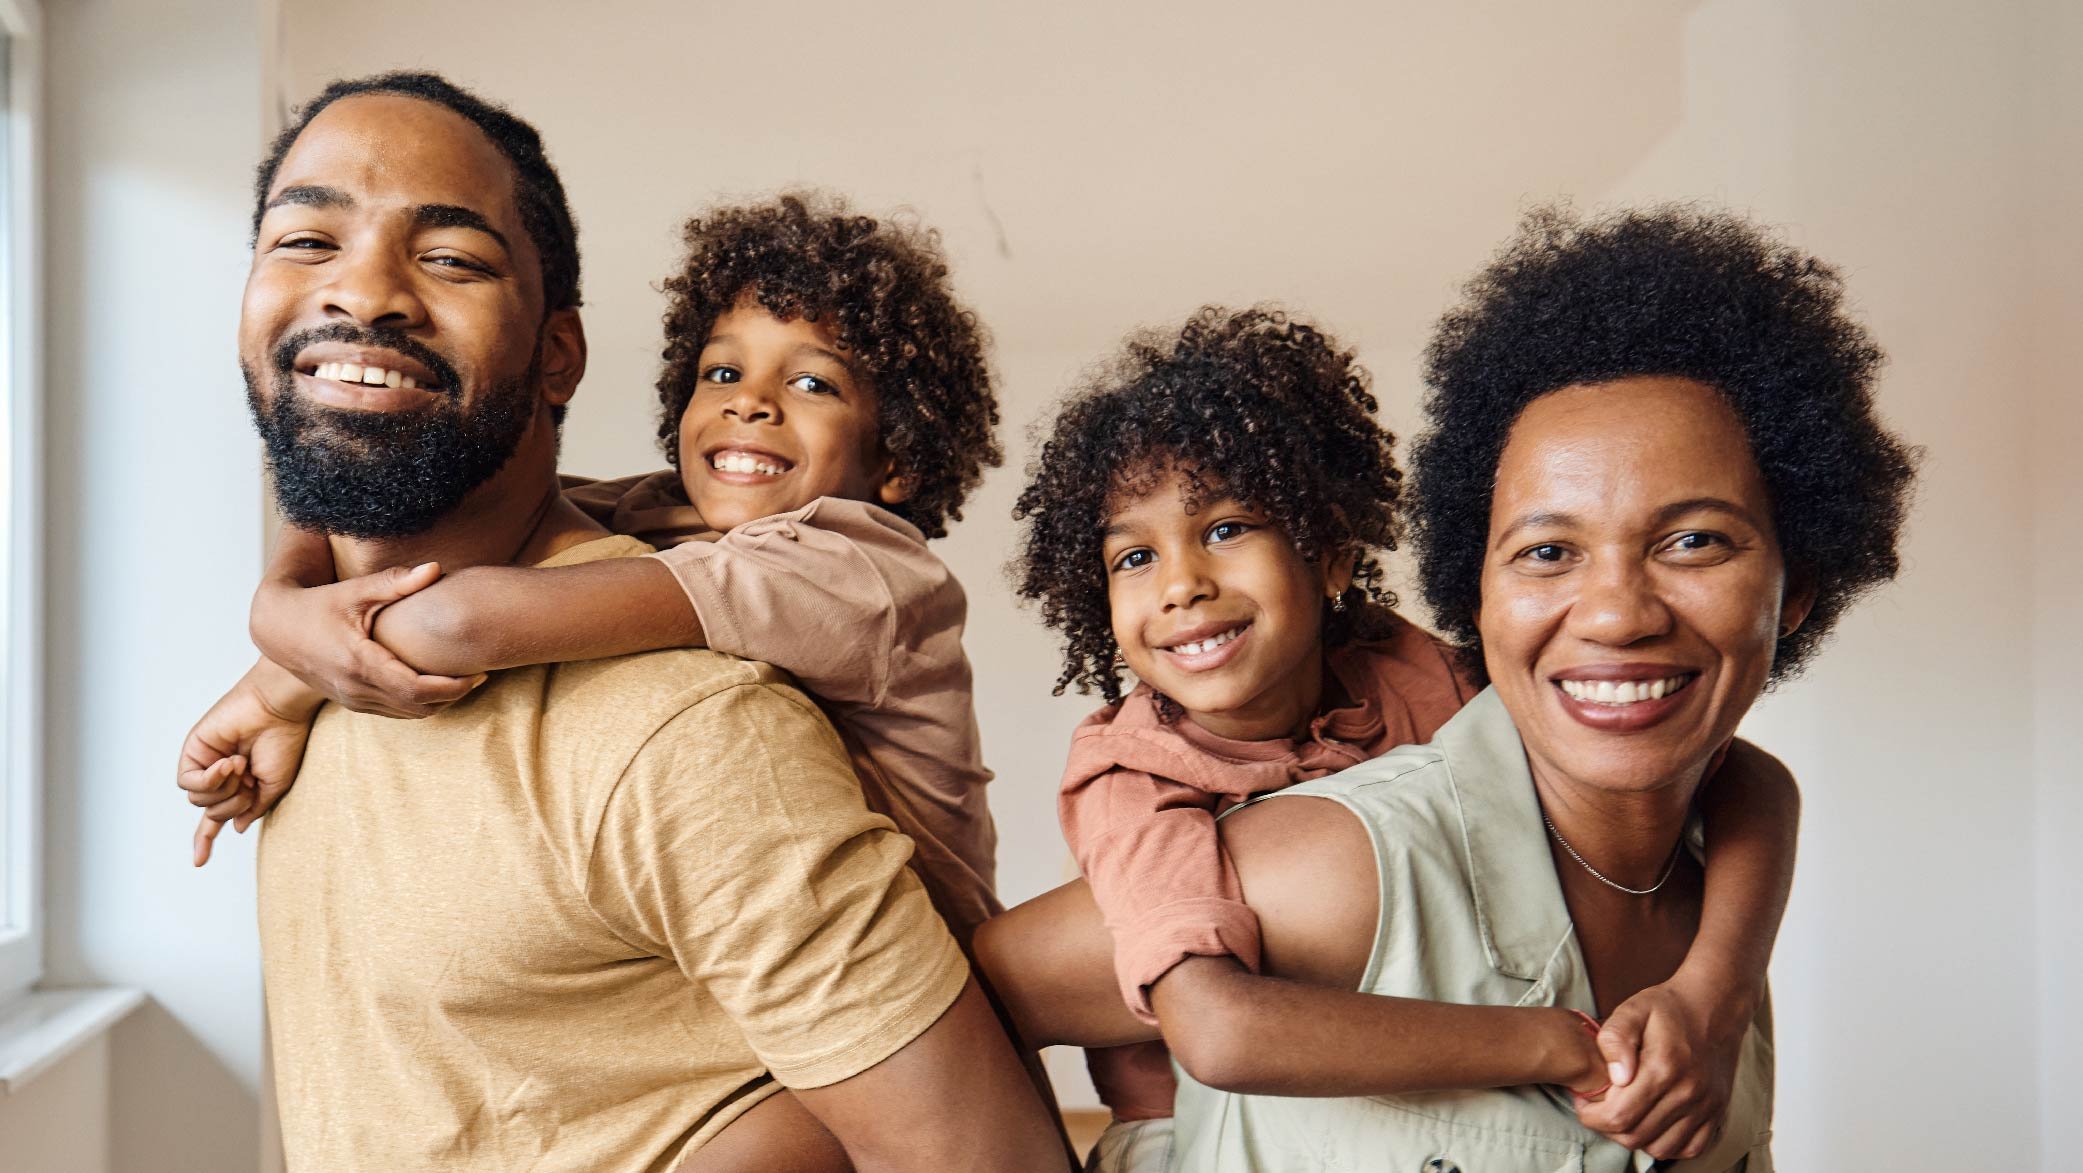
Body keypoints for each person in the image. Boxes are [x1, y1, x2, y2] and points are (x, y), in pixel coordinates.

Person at [182, 71, 1064, 1172]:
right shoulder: (665, 529)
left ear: (559, 354)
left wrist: (284, 654)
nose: (365, 294)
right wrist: (282, 629)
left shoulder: (710, 702)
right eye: (306, 240)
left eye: (450, 257)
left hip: (957, 972)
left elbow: (982, 1156)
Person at [975, 304, 1808, 1169]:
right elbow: (1216, 1031)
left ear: (1331, 555)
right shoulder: (1137, 778)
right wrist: (1558, 1046)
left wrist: (1717, 995)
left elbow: (1742, 774)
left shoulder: (1420, 677)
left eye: (1225, 529)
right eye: (1133, 558)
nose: (1182, 583)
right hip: (1185, 1127)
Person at [1170, 207, 1915, 1169]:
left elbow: (1757, 779)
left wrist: (1720, 993)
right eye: (1547, 551)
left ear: (1795, 587)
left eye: (1693, 539)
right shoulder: (1343, 865)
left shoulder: (1715, 882)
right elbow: (969, 997)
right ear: (1475, 597)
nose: (1615, 613)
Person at [187, 191, 1005, 950]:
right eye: (721, 372)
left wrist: (279, 677)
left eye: (810, 382)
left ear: (895, 458)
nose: (748, 401)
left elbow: (457, 621)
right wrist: (284, 599)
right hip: (774, 945)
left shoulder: (858, 566)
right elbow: (382, 523)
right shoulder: (661, 510)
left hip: (934, 972)